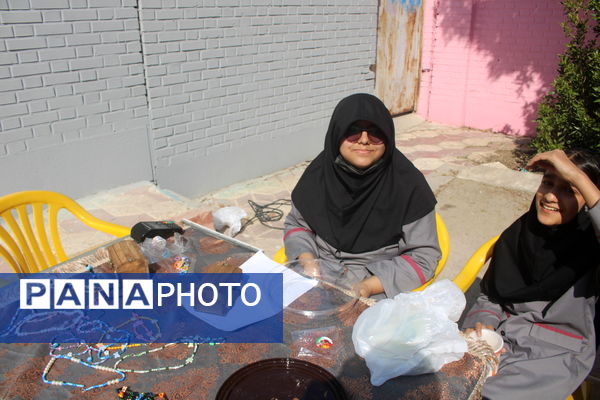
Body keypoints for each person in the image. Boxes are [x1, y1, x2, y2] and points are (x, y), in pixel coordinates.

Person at [462, 149, 600, 399]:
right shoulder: (519, 236)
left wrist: (579, 177)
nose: (549, 196)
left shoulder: (592, 250)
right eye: (547, 182)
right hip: (501, 340)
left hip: (554, 354)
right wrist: (482, 326)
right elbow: (491, 296)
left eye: (569, 189)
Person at [283, 93, 441, 299]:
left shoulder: (408, 184)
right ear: (336, 134)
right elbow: (297, 225)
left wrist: (367, 287)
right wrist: (307, 260)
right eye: (353, 131)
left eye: (375, 132)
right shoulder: (319, 173)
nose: (364, 140)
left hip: (376, 279)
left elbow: (423, 256)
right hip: (318, 270)